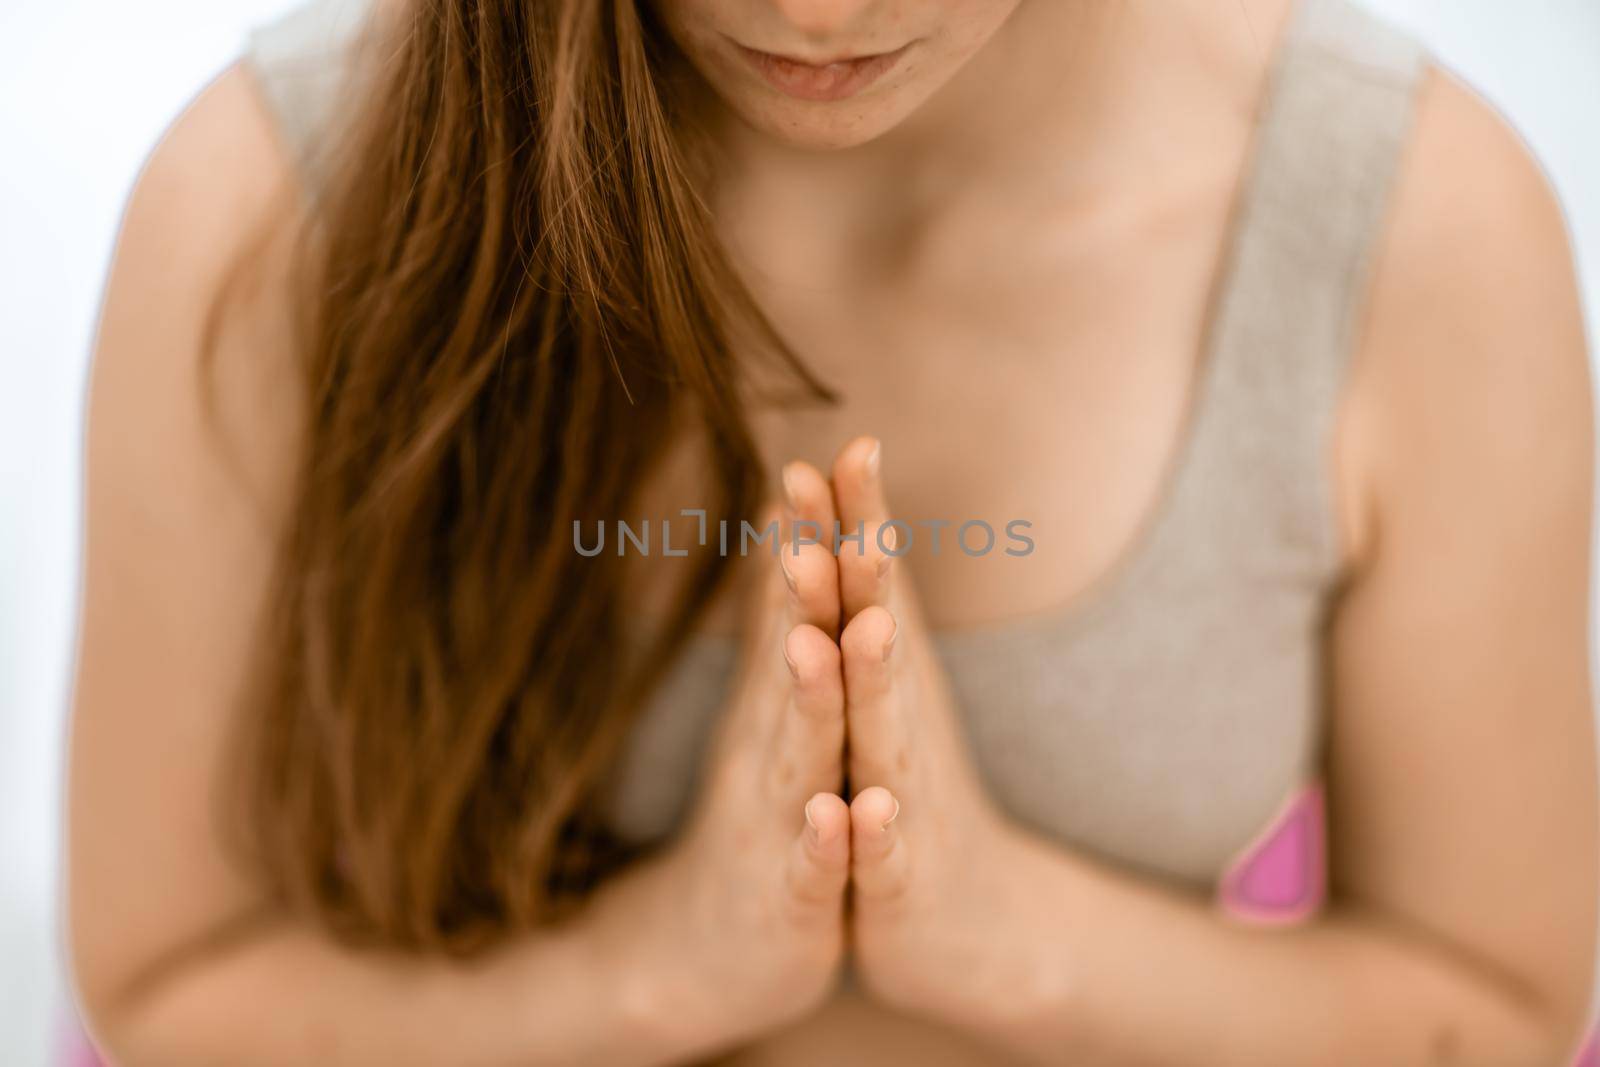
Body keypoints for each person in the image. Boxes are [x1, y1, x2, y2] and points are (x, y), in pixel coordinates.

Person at [64, 0, 1600, 1062]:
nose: (814, 13)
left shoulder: (1410, 232)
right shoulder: (275, 209)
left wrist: (996, 933)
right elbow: (168, 983)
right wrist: (657, 971)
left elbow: (1499, 1001)